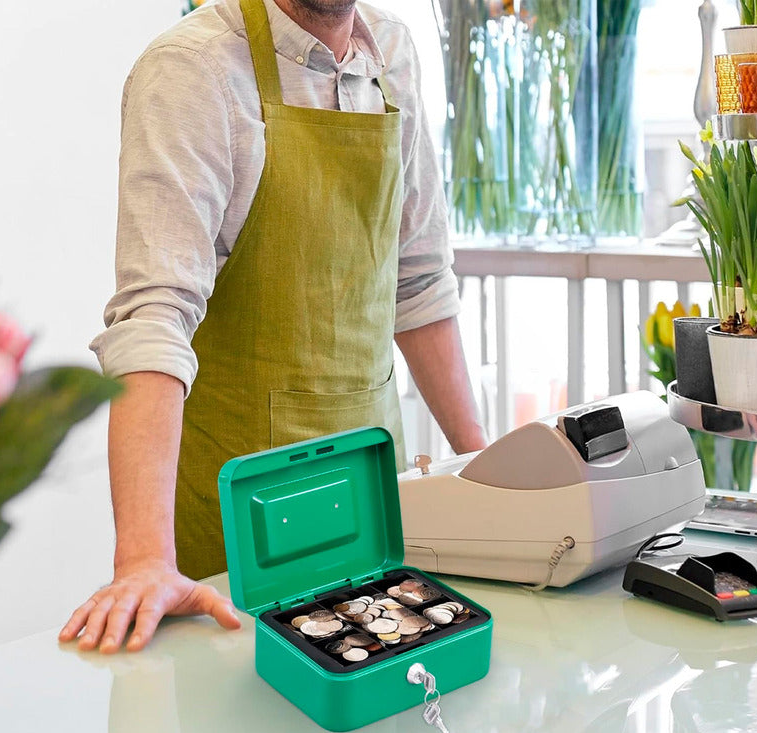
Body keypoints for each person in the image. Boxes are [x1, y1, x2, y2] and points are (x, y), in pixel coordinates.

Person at [59, 0, 486, 654]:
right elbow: (153, 318)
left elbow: (419, 280)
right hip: (237, 534)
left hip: (372, 515)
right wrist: (143, 560)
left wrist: (480, 469)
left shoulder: (392, 53)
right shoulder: (191, 69)